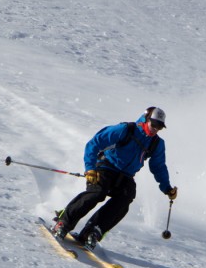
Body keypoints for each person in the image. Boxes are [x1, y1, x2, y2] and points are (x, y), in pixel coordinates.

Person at [53, 107, 178, 250]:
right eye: (153, 124)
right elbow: (95, 143)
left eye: (159, 127)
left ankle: (93, 231)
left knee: (126, 197)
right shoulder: (126, 129)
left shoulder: (156, 144)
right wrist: (90, 168)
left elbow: (159, 166)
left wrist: (167, 188)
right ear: (146, 119)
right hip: (106, 167)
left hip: (126, 176)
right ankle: (63, 222)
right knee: (97, 193)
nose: (155, 129)